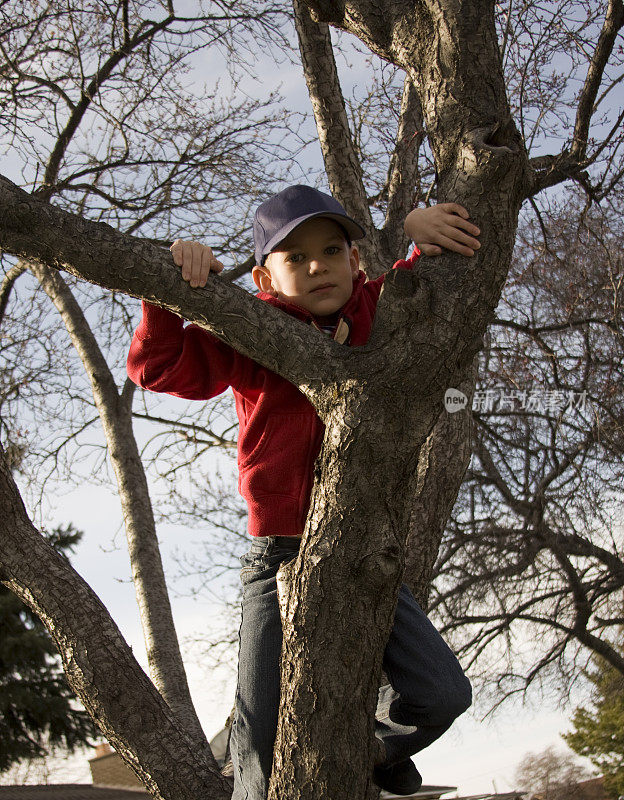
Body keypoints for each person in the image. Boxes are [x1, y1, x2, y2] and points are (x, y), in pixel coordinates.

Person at [127, 185, 480, 799]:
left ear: (356, 261)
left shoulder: (378, 314)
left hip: (362, 544)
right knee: (259, 735)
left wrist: (418, 233)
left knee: (444, 693)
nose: (318, 265)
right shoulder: (255, 332)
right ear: (265, 278)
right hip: (279, 552)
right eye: (295, 258)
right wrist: (166, 288)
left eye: (331, 250)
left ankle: (374, 749)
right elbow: (158, 368)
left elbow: (418, 286)